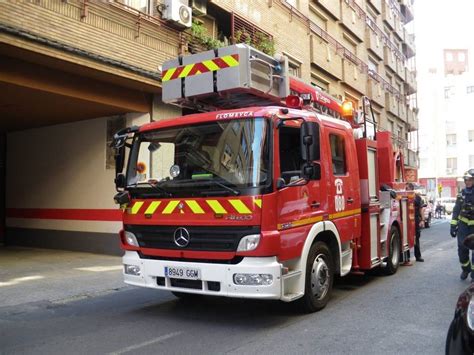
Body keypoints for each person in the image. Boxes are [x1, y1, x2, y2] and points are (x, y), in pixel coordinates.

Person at [450, 169, 474, 281]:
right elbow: (456, 210)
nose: (467, 182)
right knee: (462, 249)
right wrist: (453, 225)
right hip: (463, 226)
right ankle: (466, 269)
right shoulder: (461, 194)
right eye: (466, 180)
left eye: (470, 180)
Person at [404, 183, 424, 264]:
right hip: (406, 220)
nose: (406, 190)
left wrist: (422, 220)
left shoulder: (418, 197)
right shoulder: (404, 197)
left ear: (411, 189)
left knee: (416, 238)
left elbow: (421, 209)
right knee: (406, 238)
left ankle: (418, 256)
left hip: (415, 220)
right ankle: (407, 258)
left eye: (407, 188)